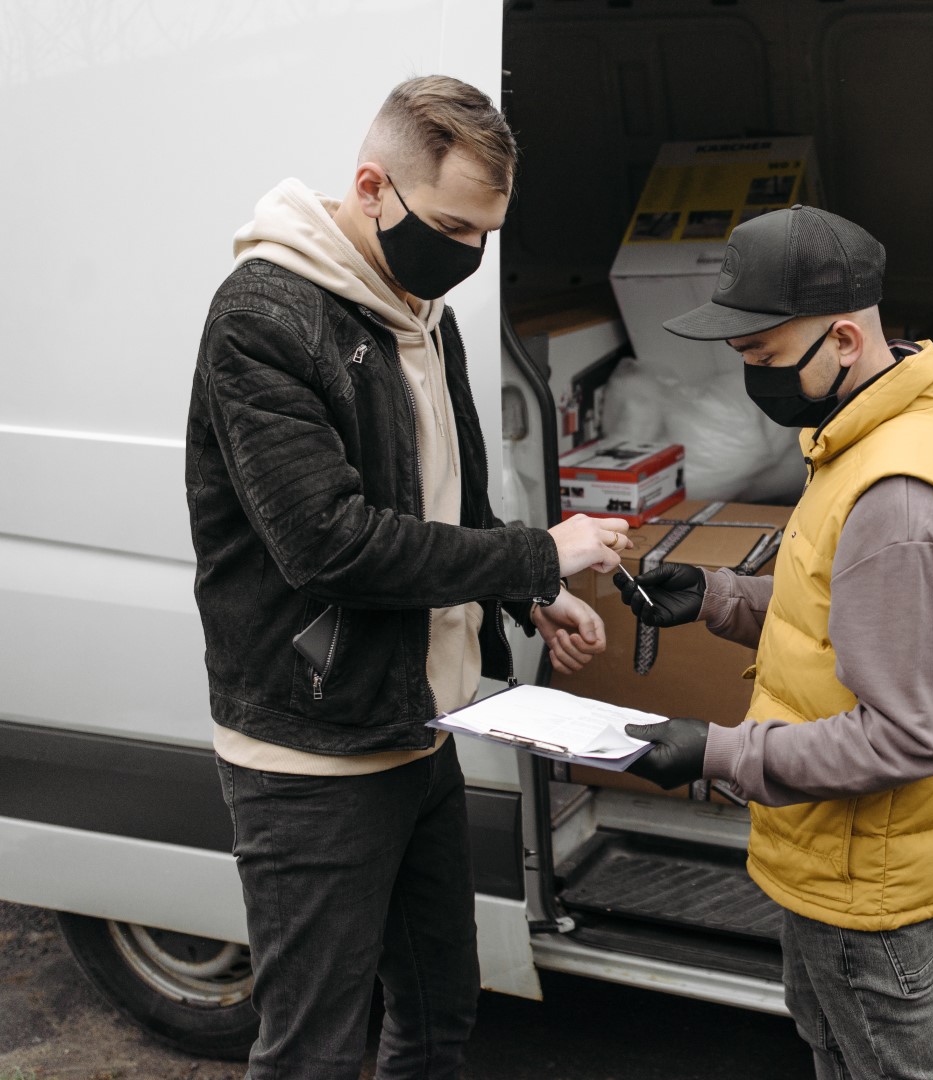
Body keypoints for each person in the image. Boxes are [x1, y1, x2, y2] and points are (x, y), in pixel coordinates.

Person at [185, 76, 628, 1079]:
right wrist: (538, 553)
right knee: (314, 1053)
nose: (467, 257)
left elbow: (448, 499)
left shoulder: (422, 307)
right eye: (450, 227)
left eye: (486, 235)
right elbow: (329, 544)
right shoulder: (263, 318)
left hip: (420, 728)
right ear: (372, 185)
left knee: (437, 1018)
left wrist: (528, 593)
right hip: (314, 756)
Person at [618, 205, 933, 1080]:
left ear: (842, 338)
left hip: (861, 879)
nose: (751, 379)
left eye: (762, 357)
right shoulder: (881, 434)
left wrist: (715, 753)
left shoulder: (901, 494)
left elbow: (911, 732)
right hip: (839, 858)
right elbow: (859, 611)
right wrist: (721, 599)